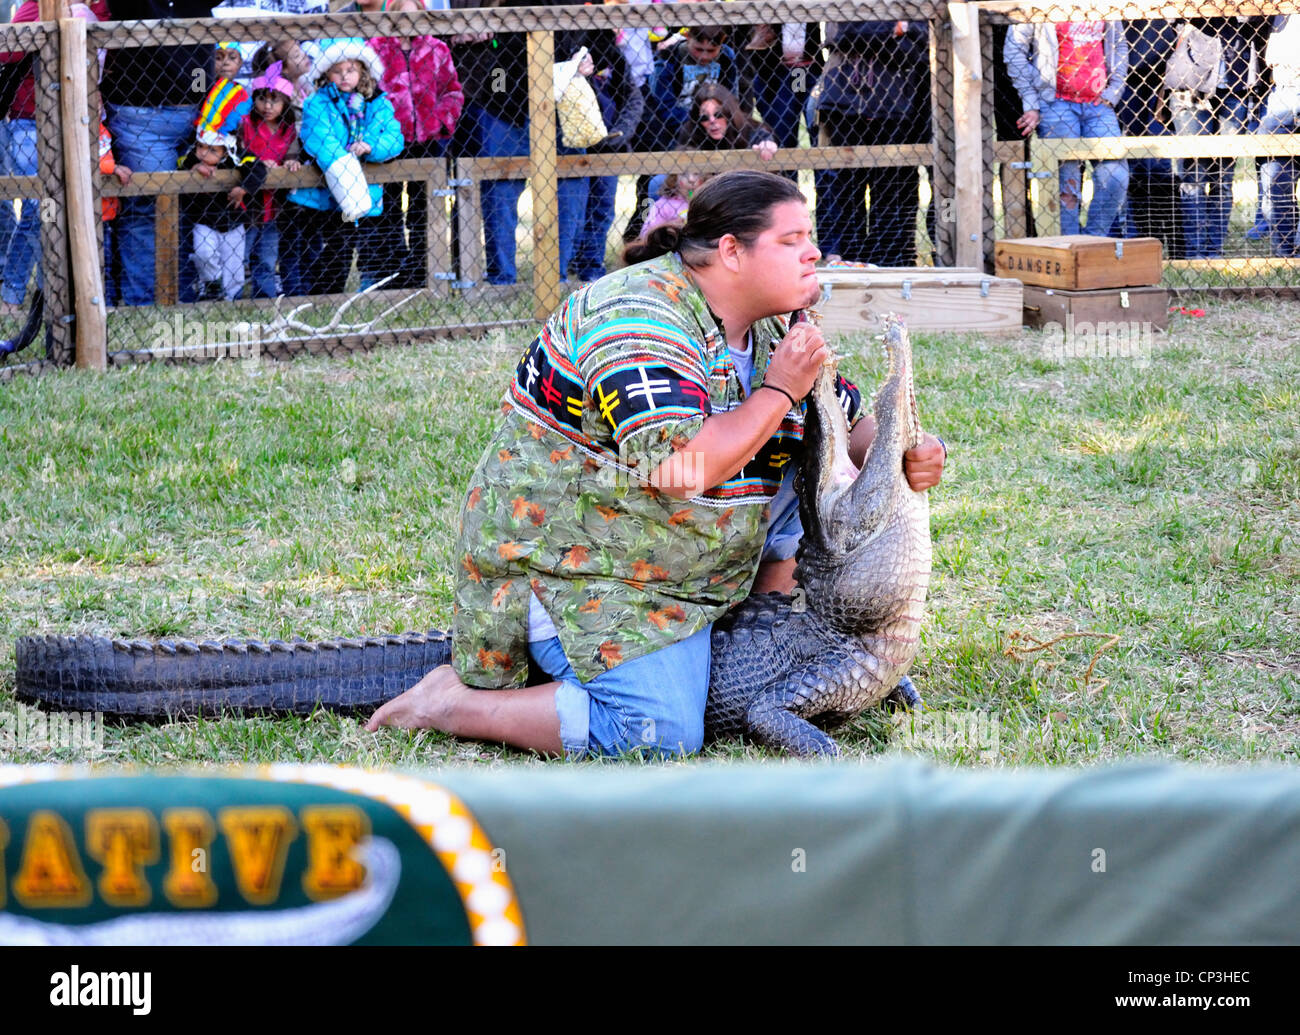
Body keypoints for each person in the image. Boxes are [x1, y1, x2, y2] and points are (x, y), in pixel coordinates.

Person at [364, 170, 946, 757]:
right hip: (578, 570)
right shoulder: (636, 322)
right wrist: (776, 392)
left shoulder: (769, 324)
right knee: (658, 732)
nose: (813, 252)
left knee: (804, 452)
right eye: (791, 239)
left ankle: (769, 639)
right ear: (730, 252)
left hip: (675, 559)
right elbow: (682, 472)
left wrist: (901, 454)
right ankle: (451, 702)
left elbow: (844, 430)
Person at [284, 41, 404, 295]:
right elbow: (319, 138)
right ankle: (322, 296)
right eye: (337, 70)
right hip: (328, 191)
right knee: (334, 247)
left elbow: (393, 136)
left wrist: (371, 147)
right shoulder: (317, 103)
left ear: (362, 71)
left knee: (370, 244)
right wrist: (345, 166)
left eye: (351, 69)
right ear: (327, 73)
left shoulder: (378, 103)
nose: (345, 76)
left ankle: (370, 288)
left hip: (368, 188)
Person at [367, 0, 464, 289]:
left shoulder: (437, 49)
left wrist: (440, 120)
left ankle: (423, 270)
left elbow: (453, 91)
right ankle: (390, 273)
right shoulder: (376, 48)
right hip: (388, 140)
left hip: (429, 140)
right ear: (391, 15)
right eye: (401, 13)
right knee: (388, 207)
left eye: (414, 14)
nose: (408, 20)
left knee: (424, 206)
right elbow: (365, 93)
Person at [1005, 18, 1130, 237]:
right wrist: (1031, 100)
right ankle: (1069, 248)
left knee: (1116, 176)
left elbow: (1118, 43)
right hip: (1055, 103)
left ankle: (1093, 243)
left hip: (1099, 103)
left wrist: (1114, 90)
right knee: (1067, 185)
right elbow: (1014, 47)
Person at [178, 127, 267, 300]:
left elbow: (259, 169)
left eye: (212, 150)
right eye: (200, 147)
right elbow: (181, 163)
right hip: (203, 221)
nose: (203, 153)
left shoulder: (237, 157)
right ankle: (212, 285)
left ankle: (232, 300)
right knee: (204, 253)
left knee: (233, 266)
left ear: (225, 152)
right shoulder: (191, 158)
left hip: (233, 222)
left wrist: (244, 189)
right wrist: (195, 166)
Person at [240, 62, 301, 298]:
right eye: (262, 99)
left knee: (266, 257)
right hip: (247, 204)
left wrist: (291, 162)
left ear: (285, 102)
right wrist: (255, 161)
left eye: (274, 101)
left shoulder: (288, 129)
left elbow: (292, 153)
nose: (267, 106)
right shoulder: (246, 124)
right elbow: (239, 151)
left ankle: (264, 298)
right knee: (241, 255)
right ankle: (231, 297)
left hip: (274, 206)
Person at [676, 83, 777, 158]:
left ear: (729, 113)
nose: (712, 120)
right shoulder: (690, 132)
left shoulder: (749, 128)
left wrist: (767, 144)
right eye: (704, 117)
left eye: (718, 114)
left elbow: (764, 138)